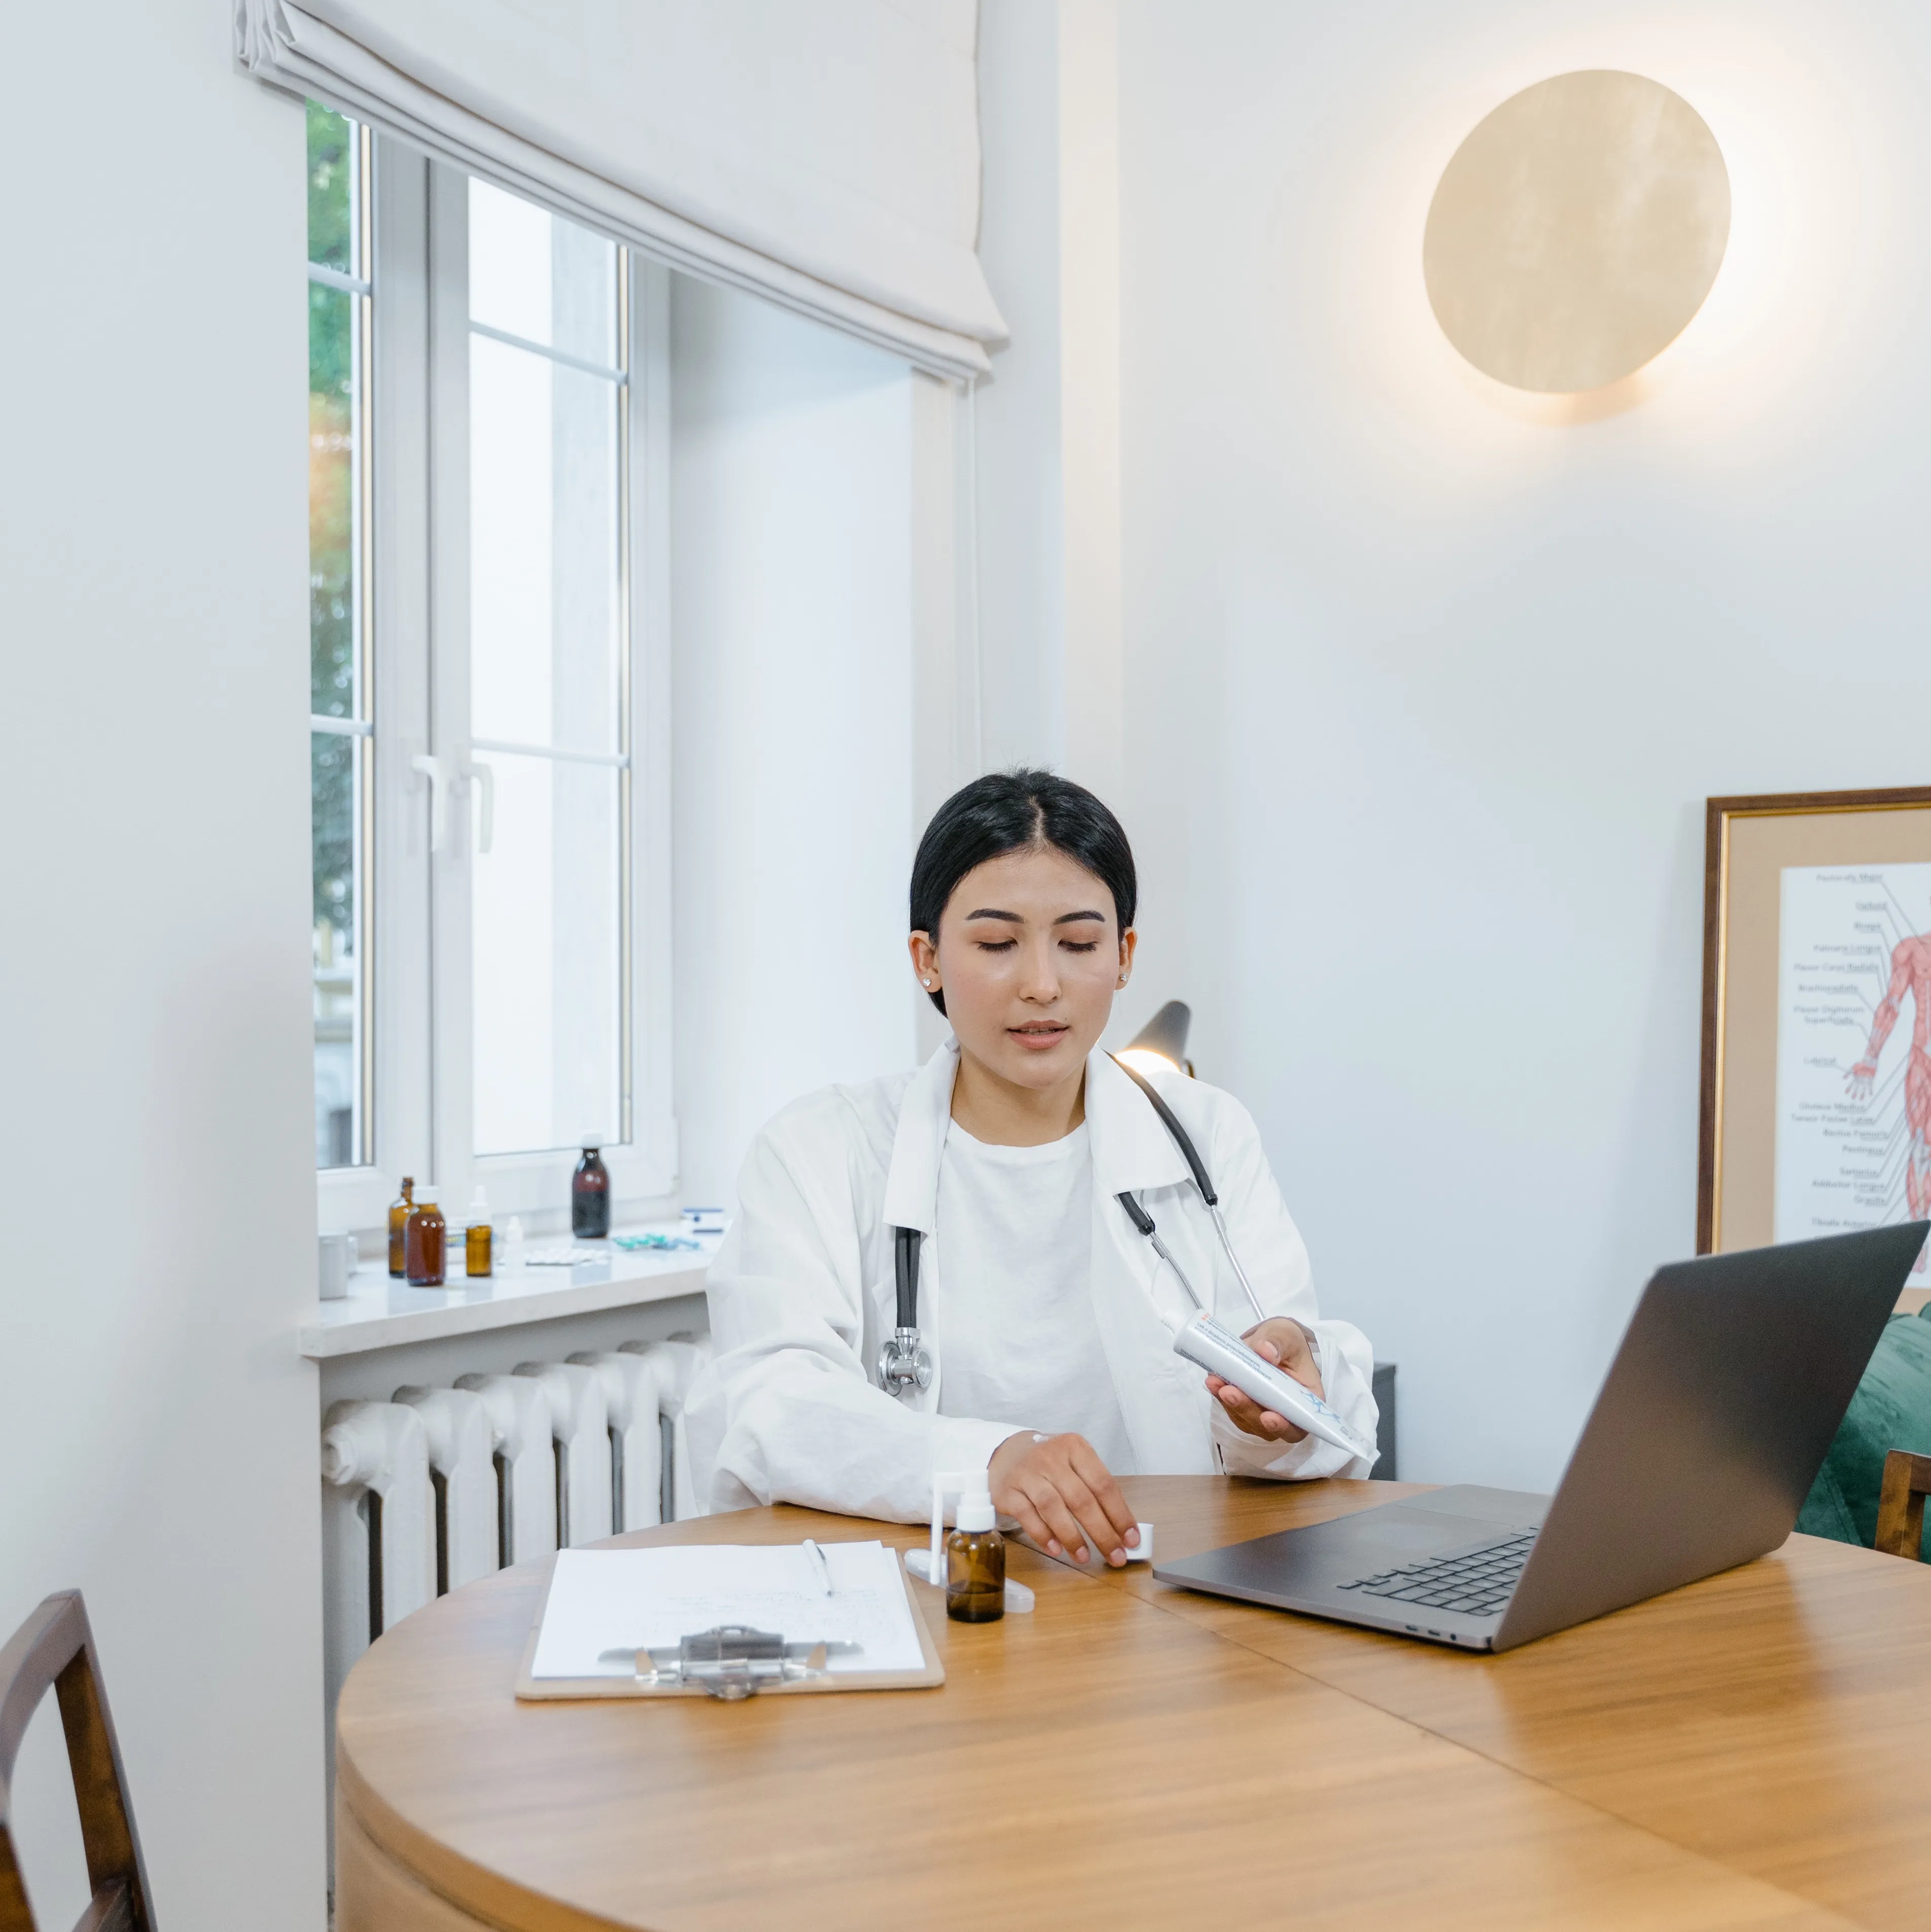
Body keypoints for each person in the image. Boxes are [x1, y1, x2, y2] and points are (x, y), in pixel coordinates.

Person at [684, 770, 1377, 1568]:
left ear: (1122, 957)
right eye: (996, 944)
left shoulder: (1206, 1133)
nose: (1042, 985)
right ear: (927, 959)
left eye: (1079, 945)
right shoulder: (819, 1148)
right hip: (927, 1600)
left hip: (1160, 1599)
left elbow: (1307, 1429)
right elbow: (772, 1408)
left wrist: (1281, 1400)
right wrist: (986, 1463)